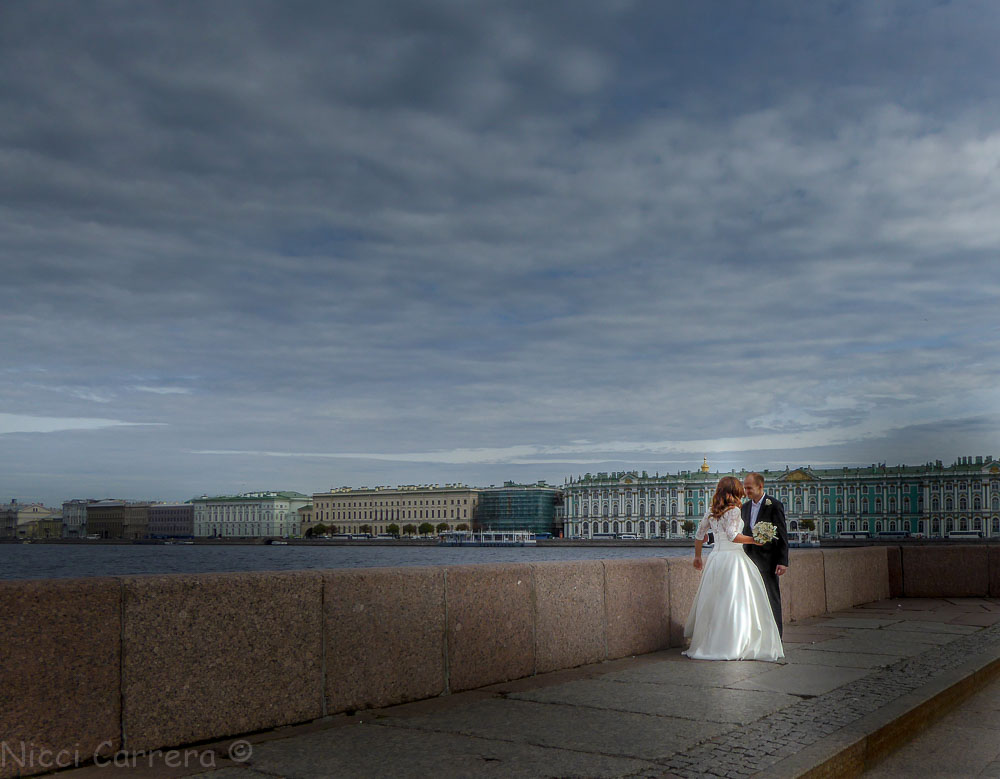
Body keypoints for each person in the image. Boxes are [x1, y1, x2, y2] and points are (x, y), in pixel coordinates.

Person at [683, 476, 784, 662]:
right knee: (736, 603)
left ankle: (711, 643)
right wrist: (755, 539)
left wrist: (697, 556)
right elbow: (732, 536)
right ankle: (733, 643)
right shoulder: (734, 511)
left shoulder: (711, 512)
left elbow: (699, 535)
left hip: (715, 559)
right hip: (733, 560)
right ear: (735, 491)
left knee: (715, 603)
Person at [741, 472, 789, 637]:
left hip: (768, 561)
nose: (746, 491)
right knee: (752, 600)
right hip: (749, 560)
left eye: (749, 488)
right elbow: (742, 532)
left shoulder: (774, 505)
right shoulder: (745, 507)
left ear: (760, 486)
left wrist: (782, 561)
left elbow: (782, 534)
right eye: (745, 488)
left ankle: (777, 637)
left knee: (771, 598)